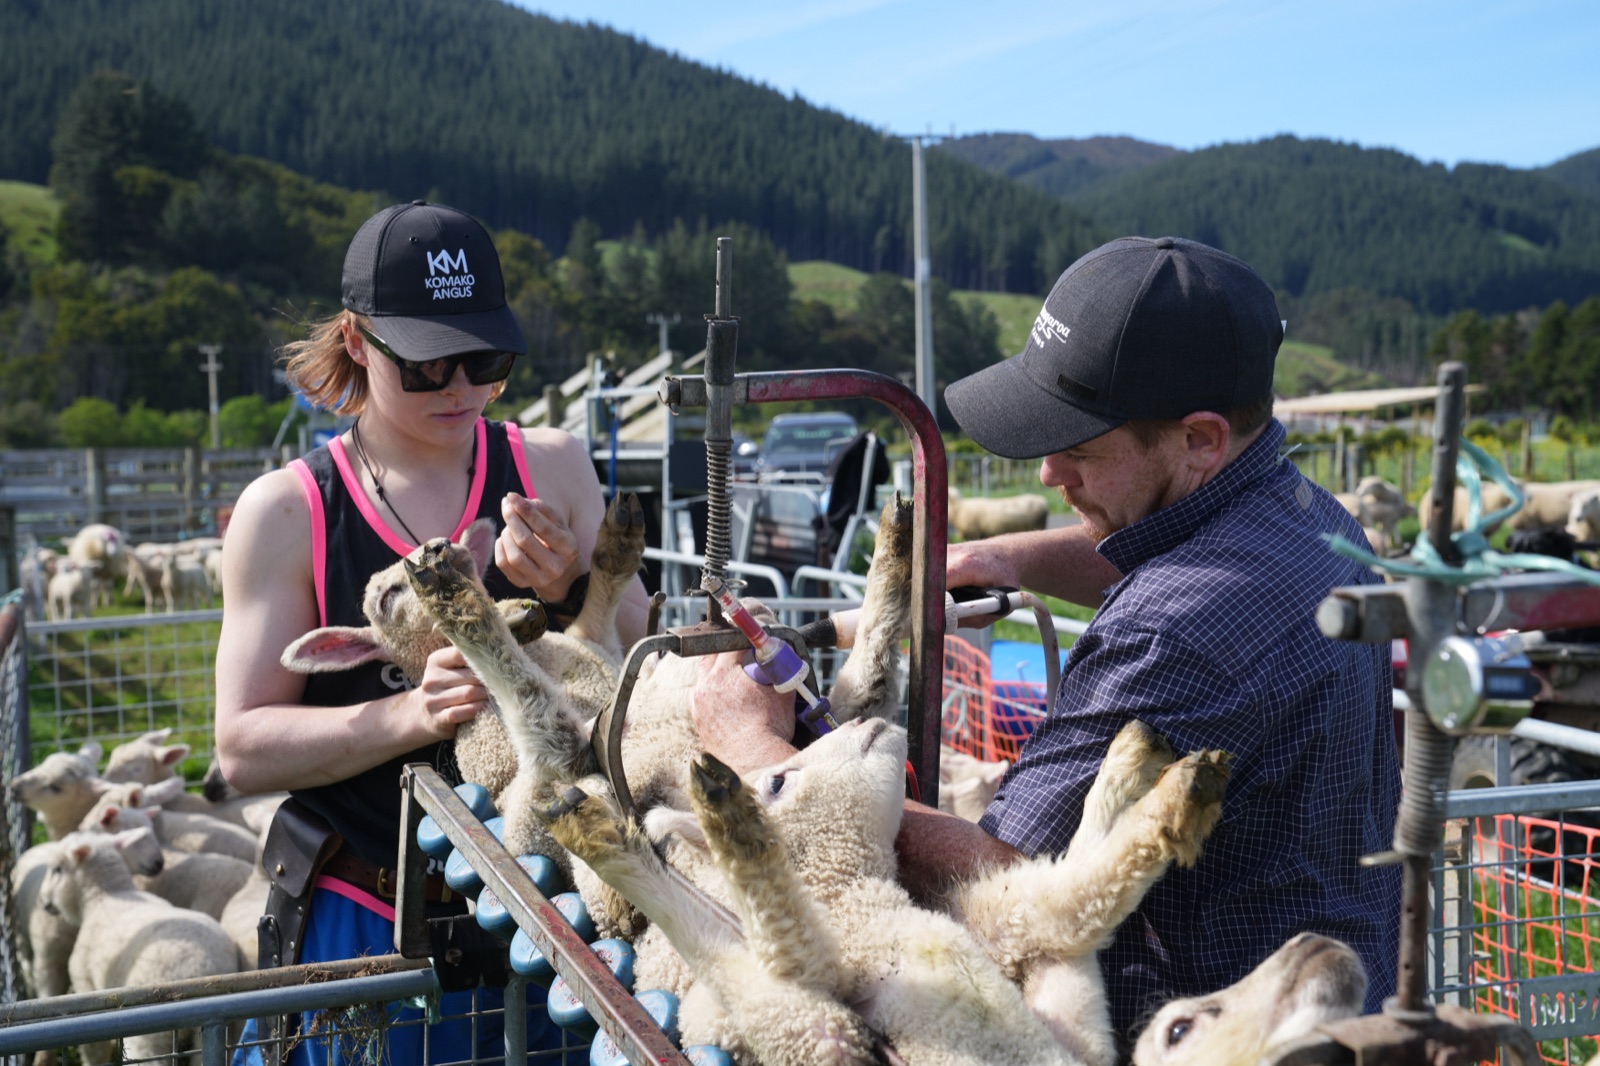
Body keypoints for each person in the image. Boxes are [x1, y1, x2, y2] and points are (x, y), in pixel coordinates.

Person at [692, 235, 1401, 1051]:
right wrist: (1005, 558)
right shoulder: (1317, 522)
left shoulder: (1171, 632)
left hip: (1196, 1031)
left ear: (1199, 439)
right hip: (1335, 990)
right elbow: (1180, 550)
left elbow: (1007, 877)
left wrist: (756, 759)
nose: (1046, 476)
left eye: (1081, 450)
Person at [215, 200, 650, 1063]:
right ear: (354, 339)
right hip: (373, 926)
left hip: (558, 920)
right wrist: (413, 717)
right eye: (424, 364)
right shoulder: (289, 511)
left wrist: (569, 583)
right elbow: (241, 747)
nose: (459, 388)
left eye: (484, 360)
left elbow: (639, 657)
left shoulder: (552, 465)